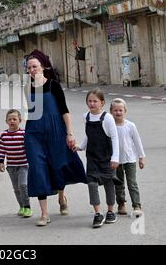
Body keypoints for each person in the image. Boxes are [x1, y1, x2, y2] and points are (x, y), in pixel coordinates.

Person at [24, 49, 86, 226]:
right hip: (34, 133)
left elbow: (64, 111)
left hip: (55, 131)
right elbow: (31, 111)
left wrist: (69, 133)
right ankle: (44, 213)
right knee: (37, 168)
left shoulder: (54, 85)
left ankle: (61, 196)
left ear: (42, 67)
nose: (32, 70)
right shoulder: (27, 88)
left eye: (35, 66)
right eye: (29, 68)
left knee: (57, 166)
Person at [74, 88, 119, 228]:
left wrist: (115, 157)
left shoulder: (108, 118)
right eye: (89, 101)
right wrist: (81, 147)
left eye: (95, 101)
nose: (92, 104)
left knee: (108, 184)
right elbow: (88, 135)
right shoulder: (85, 116)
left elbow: (115, 138)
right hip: (92, 157)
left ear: (102, 103)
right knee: (92, 184)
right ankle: (97, 213)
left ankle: (111, 211)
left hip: (106, 157)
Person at [110, 98, 146, 217]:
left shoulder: (130, 125)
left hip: (130, 159)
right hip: (116, 161)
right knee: (119, 183)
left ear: (125, 111)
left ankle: (137, 205)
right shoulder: (110, 126)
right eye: (115, 110)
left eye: (120, 110)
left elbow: (137, 141)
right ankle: (121, 204)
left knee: (132, 183)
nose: (118, 112)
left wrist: (141, 157)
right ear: (111, 111)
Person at [0, 109, 32, 218]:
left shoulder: (24, 133)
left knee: (23, 185)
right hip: (11, 166)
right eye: (9, 119)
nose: (12, 121)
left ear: (20, 120)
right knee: (16, 188)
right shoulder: (4, 135)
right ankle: (21, 206)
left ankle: (27, 207)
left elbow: (29, 148)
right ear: (6, 121)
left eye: (14, 119)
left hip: (23, 165)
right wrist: (1, 162)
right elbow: (1, 149)